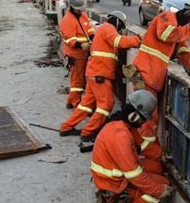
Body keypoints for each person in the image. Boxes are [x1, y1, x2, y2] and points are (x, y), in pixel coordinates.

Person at [125, 1, 190, 159]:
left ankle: (140, 149)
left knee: (147, 116)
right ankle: (144, 153)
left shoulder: (179, 32)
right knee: (148, 117)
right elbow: (165, 34)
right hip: (143, 74)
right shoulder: (167, 16)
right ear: (188, 14)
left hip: (150, 77)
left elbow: (184, 55)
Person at [91, 90, 172, 203]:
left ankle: (110, 200)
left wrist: (160, 155)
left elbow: (143, 146)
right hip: (113, 182)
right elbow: (134, 175)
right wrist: (159, 190)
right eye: (143, 119)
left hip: (115, 173)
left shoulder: (123, 124)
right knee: (162, 184)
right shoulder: (121, 136)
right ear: (134, 115)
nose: (143, 123)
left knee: (156, 167)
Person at [60, 11, 142, 140]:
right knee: (106, 105)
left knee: (86, 105)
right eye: (120, 27)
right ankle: (88, 132)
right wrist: (138, 40)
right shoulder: (108, 28)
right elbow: (118, 41)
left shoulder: (102, 30)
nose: (119, 30)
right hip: (100, 74)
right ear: (117, 22)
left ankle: (66, 127)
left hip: (94, 72)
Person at [59, 0, 96, 109]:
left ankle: (71, 101)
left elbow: (90, 30)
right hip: (75, 55)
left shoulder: (83, 16)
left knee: (81, 79)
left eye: (81, 9)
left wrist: (93, 38)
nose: (80, 11)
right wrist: (80, 45)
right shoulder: (67, 20)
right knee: (77, 81)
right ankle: (76, 104)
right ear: (71, 7)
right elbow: (70, 39)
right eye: (78, 9)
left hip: (84, 53)